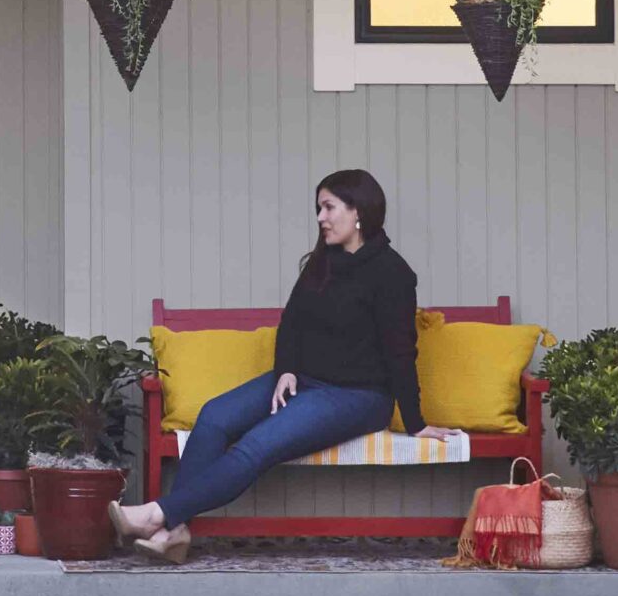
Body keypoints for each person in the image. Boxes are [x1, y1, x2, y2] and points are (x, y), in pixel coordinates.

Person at [110, 169, 457, 563]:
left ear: (358, 211)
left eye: (328, 208)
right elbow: (292, 322)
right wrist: (287, 369)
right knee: (214, 416)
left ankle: (158, 515)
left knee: (256, 445)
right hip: (303, 380)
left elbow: (400, 352)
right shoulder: (323, 261)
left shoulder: (393, 274)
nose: (320, 218)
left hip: (357, 397)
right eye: (318, 208)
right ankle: (174, 533)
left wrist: (415, 421)